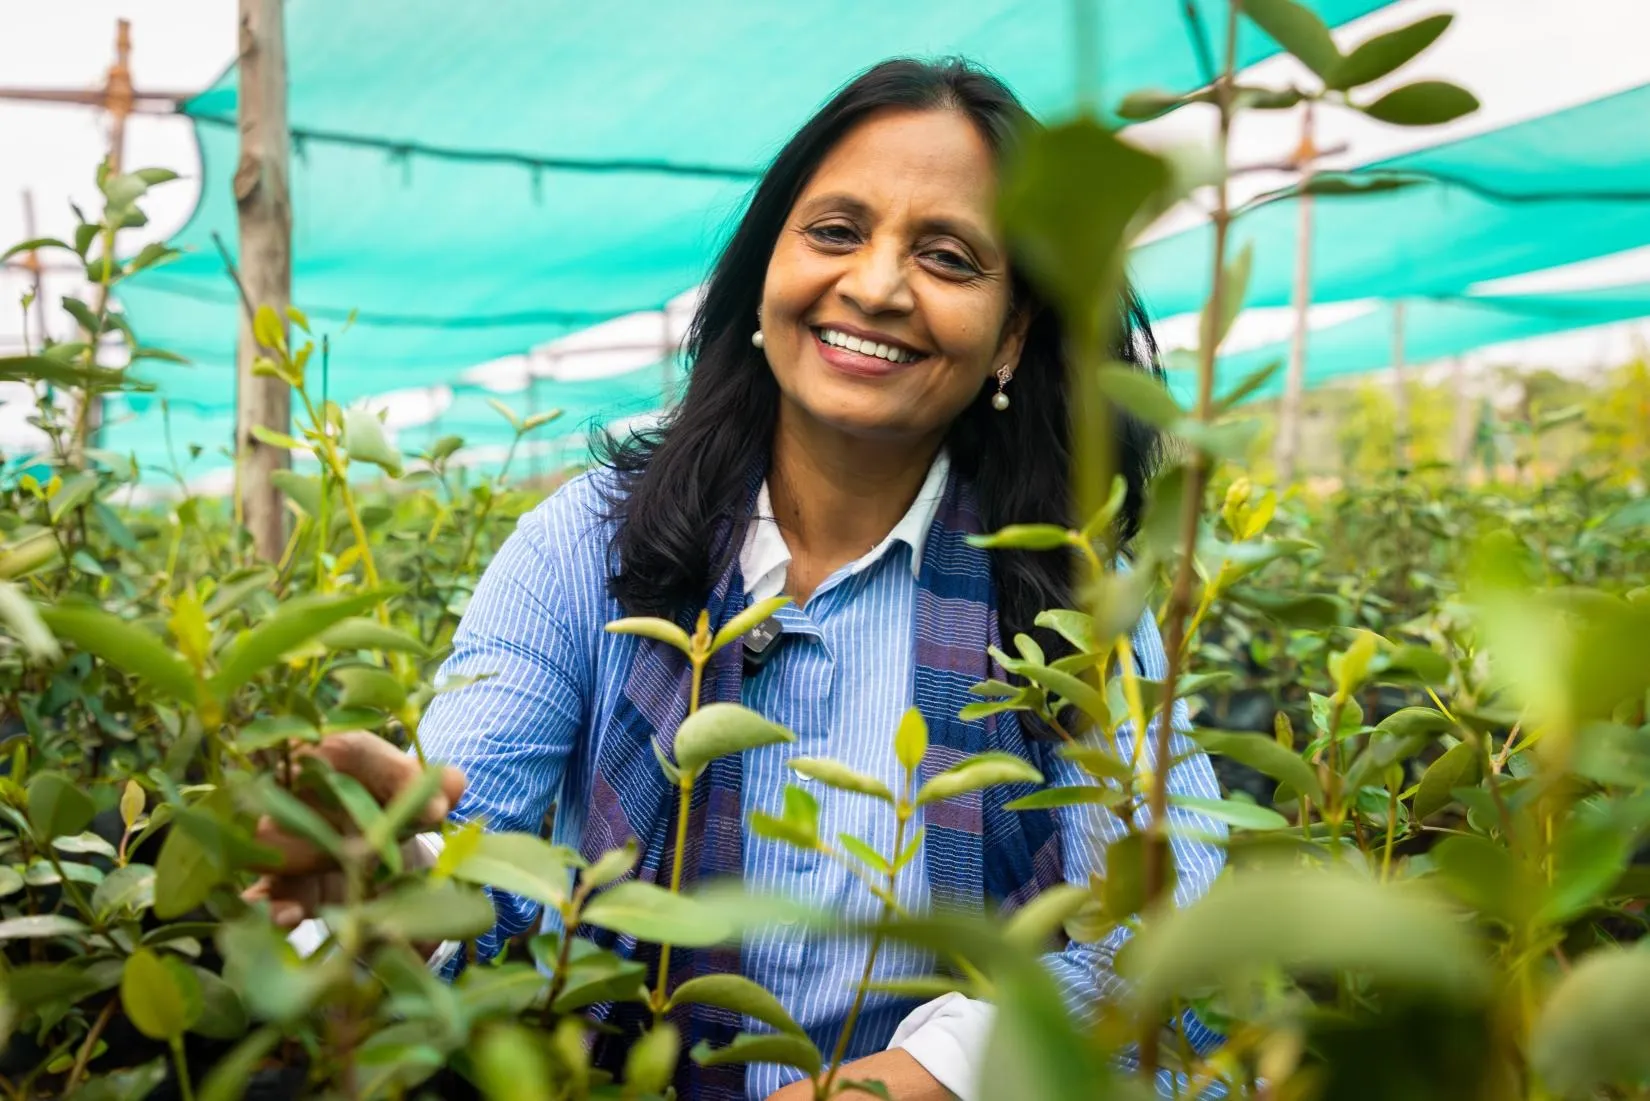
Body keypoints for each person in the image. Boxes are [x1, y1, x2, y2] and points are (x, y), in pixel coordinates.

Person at [252, 57, 1226, 1101]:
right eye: (837, 232)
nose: (877, 286)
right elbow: (472, 848)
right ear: (767, 274)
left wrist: (916, 1080)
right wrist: (392, 870)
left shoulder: (1065, 588)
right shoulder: (588, 545)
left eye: (946, 256)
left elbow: (1171, 944)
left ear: (1013, 334)